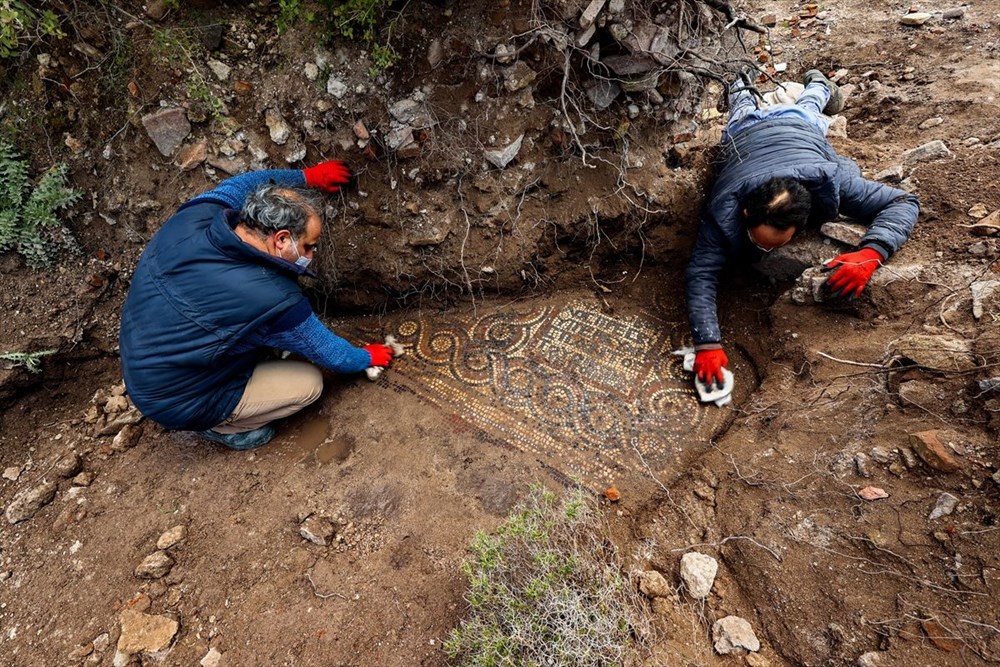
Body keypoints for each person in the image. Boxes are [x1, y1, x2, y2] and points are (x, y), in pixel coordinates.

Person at [119, 162, 395, 450]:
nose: (312, 254)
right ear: (282, 239)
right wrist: (366, 357)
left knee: (261, 340)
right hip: (180, 397)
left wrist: (309, 177)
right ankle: (224, 427)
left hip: (144, 363)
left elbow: (247, 182)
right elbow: (330, 353)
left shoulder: (195, 216)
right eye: (309, 246)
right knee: (309, 384)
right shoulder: (272, 298)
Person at [685, 69, 919, 389]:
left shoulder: (833, 183)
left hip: (799, 128)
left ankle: (820, 84)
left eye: (776, 244)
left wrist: (871, 252)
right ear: (744, 212)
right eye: (760, 242)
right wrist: (707, 343)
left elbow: (904, 203)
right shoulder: (723, 211)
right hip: (743, 135)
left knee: (810, 106)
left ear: (800, 222)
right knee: (740, 105)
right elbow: (702, 272)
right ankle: (738, 75)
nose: (766, 251)